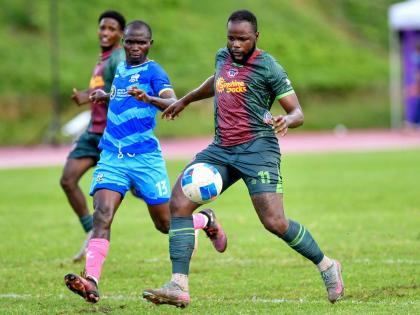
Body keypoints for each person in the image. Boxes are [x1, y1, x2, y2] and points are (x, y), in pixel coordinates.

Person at [143, 10, 344, 308]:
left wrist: (286, 121)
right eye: (231, 38)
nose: (235, 44)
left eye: (242, 39)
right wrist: (184, 100)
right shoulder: (222, 56)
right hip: (221, 148)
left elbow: (297, 111)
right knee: (179, 202)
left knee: (275, 222)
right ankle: (178, 285)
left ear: (256, 37)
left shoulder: (268, 67)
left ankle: (327, 265)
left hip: (258, 151)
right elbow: (216, 81)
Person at [63, 20, 227, 304]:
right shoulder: (121, 70)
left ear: (150, 44)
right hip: (112, 157)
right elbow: (120, 100)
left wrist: (149, 97)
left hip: (145, 160)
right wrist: (103, 96)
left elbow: (173, 102)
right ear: (123, 43)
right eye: (130, 42)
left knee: (165, 224)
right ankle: (91, 282)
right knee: (102, 215)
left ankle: (204, 220)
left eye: (141, 43)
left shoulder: (154, 71)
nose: (135, 47)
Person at [60, 10, 126, 262]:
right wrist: (87, 94)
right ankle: (91, 232)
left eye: (111, 29)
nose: (106, 32)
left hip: (111, 135)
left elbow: (120, 90)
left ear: (121, 34)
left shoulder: (118, 58)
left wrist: (89, 94)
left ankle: (187, 223)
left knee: (143, 192)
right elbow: (101, 89)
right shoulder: (103, 58)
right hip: (93, 133)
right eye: (103, 28)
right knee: (68, 179)